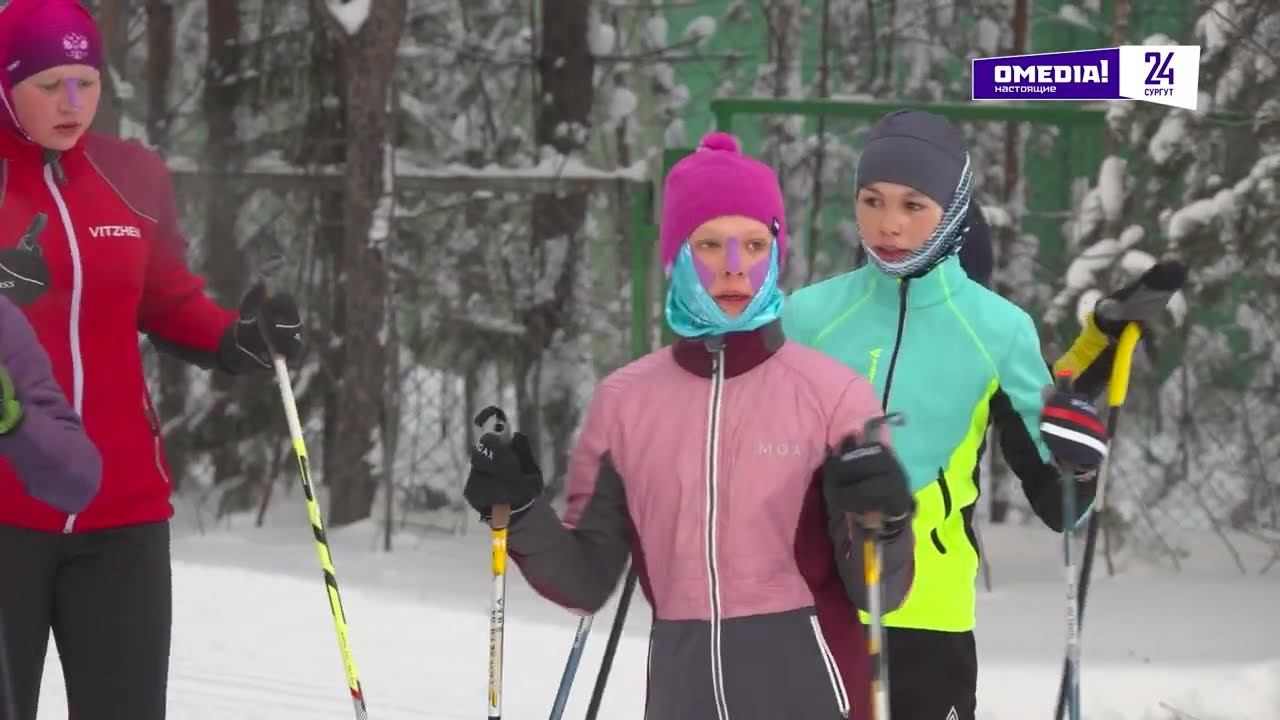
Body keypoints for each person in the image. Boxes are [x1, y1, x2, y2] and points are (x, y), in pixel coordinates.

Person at [465, 131, 916, 720]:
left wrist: (887, 521)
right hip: (683, 694)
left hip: (817, 692)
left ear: (777, 254)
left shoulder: (832, 396)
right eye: (709, 244)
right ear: (676, 254)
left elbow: (880, 589)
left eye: (755, 244)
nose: (734, 268)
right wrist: (520, 514)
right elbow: (585, 581)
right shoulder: (626, 402)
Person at [0, 2, 303, 718]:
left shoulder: (130, 174)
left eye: (87, 81)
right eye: (49, 84)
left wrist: (241, 338)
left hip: (120, 511)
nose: (74, 103)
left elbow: (170, 303)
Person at [782, 109, 1117, 720]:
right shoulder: (809, 317)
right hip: (812, 603)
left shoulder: (998, 330)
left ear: (954, 208)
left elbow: (1057, 497)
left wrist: (1080, 463)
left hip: (929, 613)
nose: (889, 224)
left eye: (914, 205)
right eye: (872, 200)